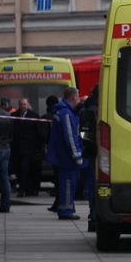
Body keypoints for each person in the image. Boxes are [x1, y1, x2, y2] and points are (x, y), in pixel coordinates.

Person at [48, 87, 84, 220]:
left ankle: (68, 208)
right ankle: (66, 212)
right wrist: (77, 155)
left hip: (63, 156)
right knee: (68, 184)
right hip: (67, 158)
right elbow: (70, 137)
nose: (79, 99)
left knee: (67, 183)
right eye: (78, 97)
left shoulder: (64, 111)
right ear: (74, 98)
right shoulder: (67, 114)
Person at [11, 97, 44, 198]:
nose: (23, 106)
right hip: (18, 148)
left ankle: (24, 189)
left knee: (26, 169)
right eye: (21, 104)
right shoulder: (14, 115)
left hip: (30, 148)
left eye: (24, 104)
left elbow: (39, 132)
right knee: (20, 170)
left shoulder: (34, 116)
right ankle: (22, 189)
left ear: (27, 104)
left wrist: (38, 147)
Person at [79, 85, 100, 232]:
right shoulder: (96, 110)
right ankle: (94, 217)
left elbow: (83, 135)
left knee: (93, 187)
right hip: (96, 154)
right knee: (96, 188)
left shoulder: (85, 110)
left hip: (90, 153)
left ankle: (92, 218)